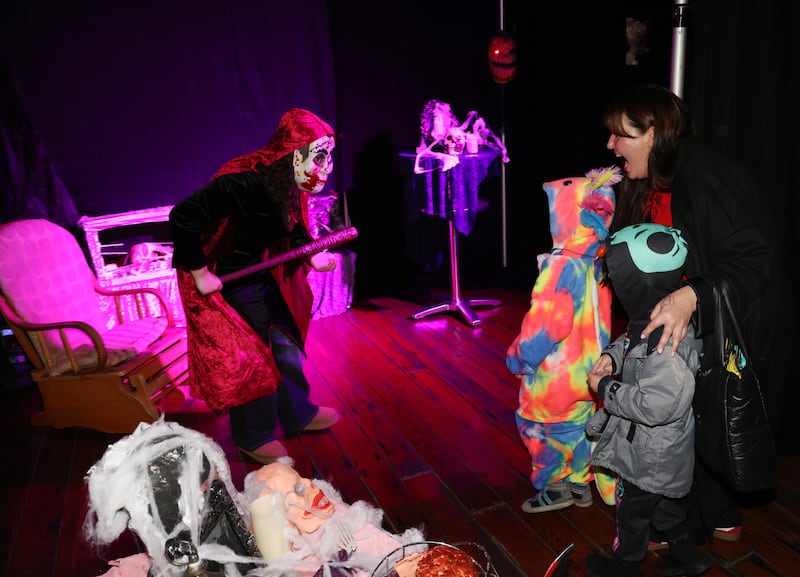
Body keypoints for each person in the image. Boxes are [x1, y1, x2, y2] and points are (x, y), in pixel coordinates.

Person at [600, 84, 790, 547]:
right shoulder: (644, 184)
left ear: (653, 133)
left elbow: (753, 261)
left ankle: (685, 520)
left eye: (621, 135)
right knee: (674, 416)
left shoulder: (707, 176)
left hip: (712, 324)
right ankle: (685, 515)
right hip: (670, 327)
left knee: (685, 414)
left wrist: (693, 297)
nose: (611, 145)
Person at [170, 108, 341, 464]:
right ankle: (253, 436)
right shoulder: (240, 182)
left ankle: (298, 413)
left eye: (330, 157)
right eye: (319, 157)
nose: (326, 168)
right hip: (222, 278)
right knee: (251, 356)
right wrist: (201, 274)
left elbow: (291, 228)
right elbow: (183, 217)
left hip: (256, 272)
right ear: (294, 154)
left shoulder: (289, 185)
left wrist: (312, 255)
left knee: (284, 338)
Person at [585, 223, 712, 577]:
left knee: (633, 513)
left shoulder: (668, 345)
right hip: (653, 451)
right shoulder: (653, 318)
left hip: (652, 454)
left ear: (633, 284)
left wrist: (606, 388)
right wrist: (613, 356)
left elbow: (657, 405)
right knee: (663, 509)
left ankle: (626, 567)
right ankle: (691, 556)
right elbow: (631, 341)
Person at [506, 166, 619, 513]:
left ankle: (556, 488)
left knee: (542, 431)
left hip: (553, 377)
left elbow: (545, 325)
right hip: (588, 375)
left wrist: (519, 357)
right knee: (579, 428)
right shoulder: (598, 265)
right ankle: (579, 483)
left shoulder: (560, 267)